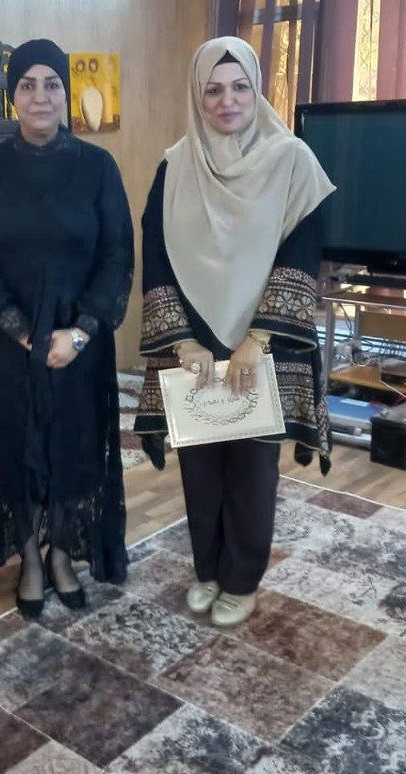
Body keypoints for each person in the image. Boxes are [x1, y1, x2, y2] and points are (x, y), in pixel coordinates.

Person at [133, 36, 334, 629]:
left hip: (261, 340)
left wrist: (257, 340)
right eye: (213, 90)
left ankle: (241, 578)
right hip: (193, 339)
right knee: (200, 465)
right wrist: (183, 341)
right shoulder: (175, 165)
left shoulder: (292, 160)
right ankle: (207, 570)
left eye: (240, 87)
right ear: (198, 97)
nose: (228, 101)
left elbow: (302, 254)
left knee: (251, 468)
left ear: (257, 90)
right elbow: (157, 254)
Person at [0, 38, 134, 619]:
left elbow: (117, 255)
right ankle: (30, 558)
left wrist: (78, 333)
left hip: (78, 348)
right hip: (7, 348)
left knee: (72, 449)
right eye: (28, 85)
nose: (40, 96)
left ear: (66, 93)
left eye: (51, 84)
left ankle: (61, 555)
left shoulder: (97, 167)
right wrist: (24, 333)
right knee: (15, 452)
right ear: (12, 96)